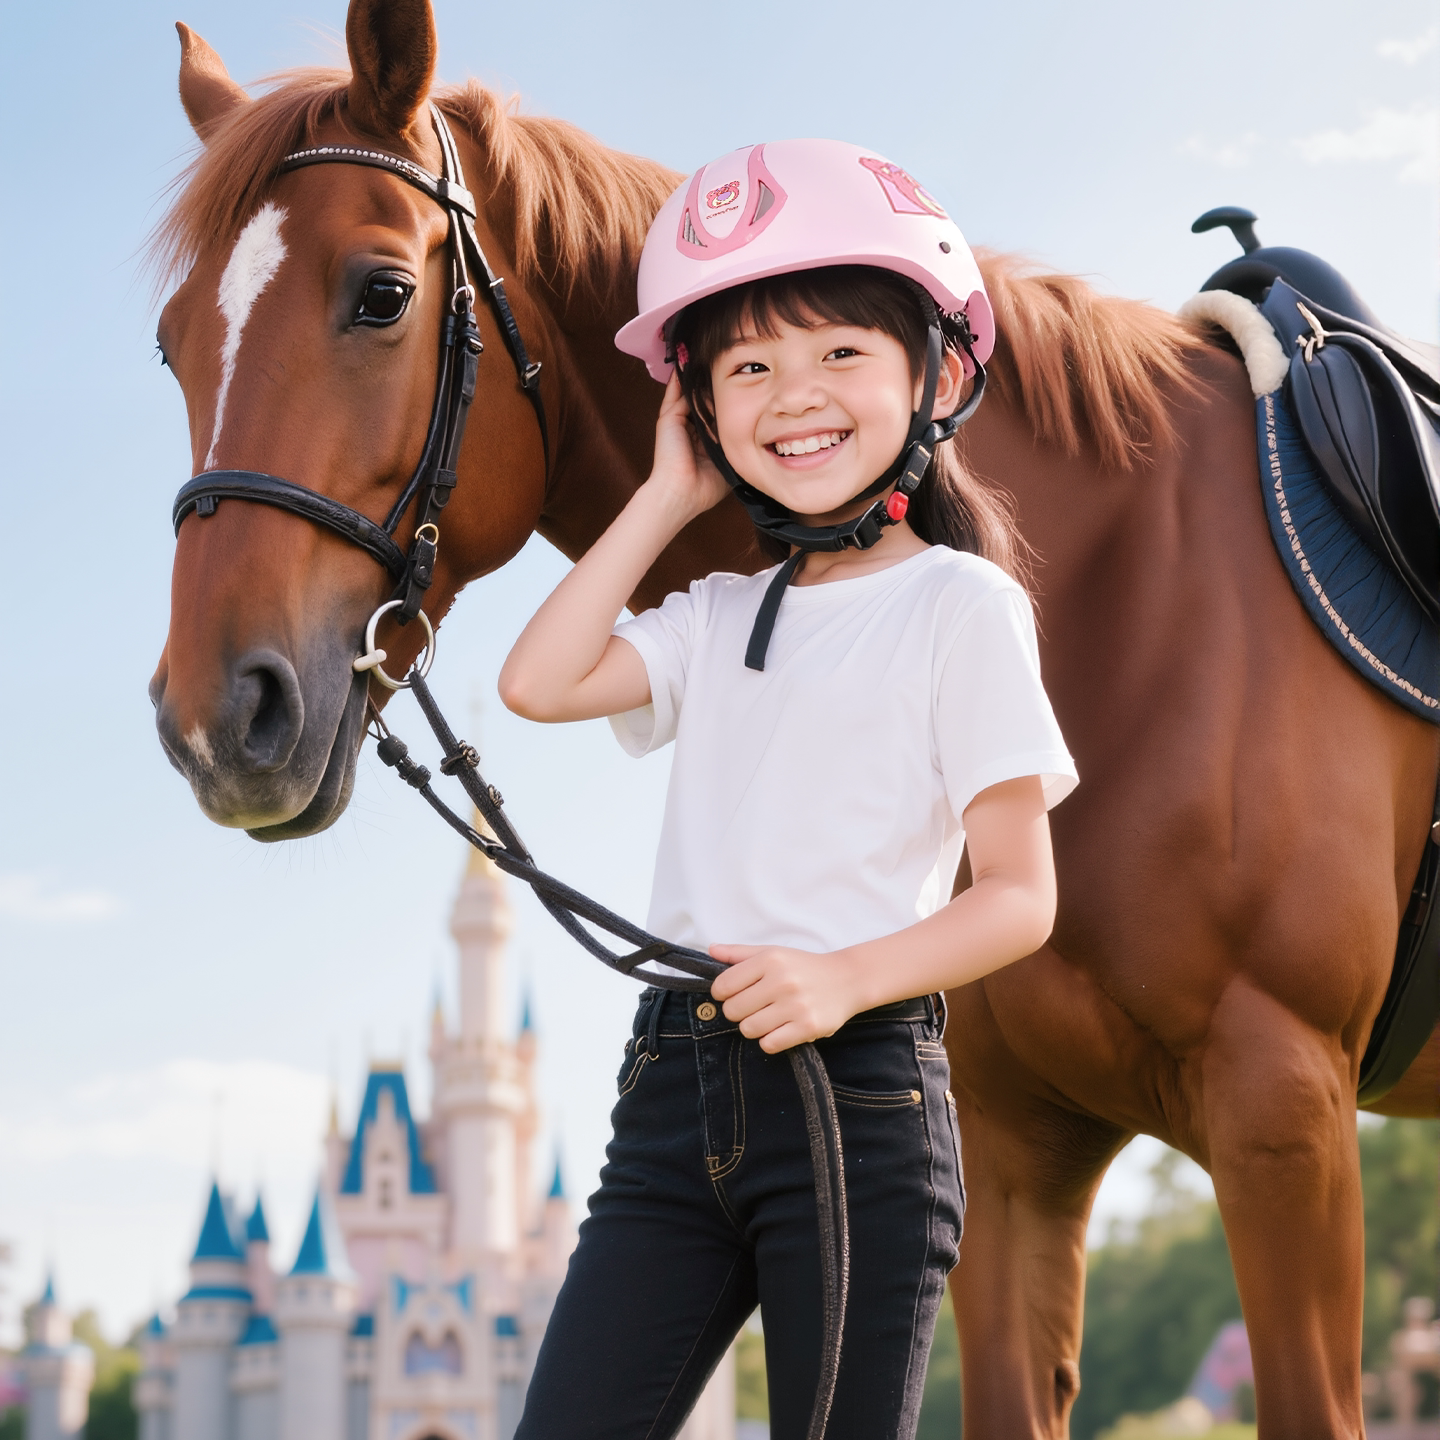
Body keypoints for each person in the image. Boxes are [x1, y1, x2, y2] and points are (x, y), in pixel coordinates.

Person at [499, 138, 1077, 1440]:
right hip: (667, 1093)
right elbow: (535, 683)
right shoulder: (711, 614)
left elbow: (1022, 897)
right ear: (699, 406)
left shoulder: (962, 606)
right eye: (746, 367)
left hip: (852, 1096)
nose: (792, 394)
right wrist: (659, 499)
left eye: (839, 354)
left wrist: (845, 978)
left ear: (934, 374)